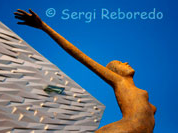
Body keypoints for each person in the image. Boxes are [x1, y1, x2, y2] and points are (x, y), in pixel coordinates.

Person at [14, 9, 156, 133]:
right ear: (115, 72)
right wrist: (44, 26)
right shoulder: (119, 81)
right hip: (126, 128)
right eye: (120, 63)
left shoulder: (135, 90)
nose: (126, 63)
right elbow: (80, 55)